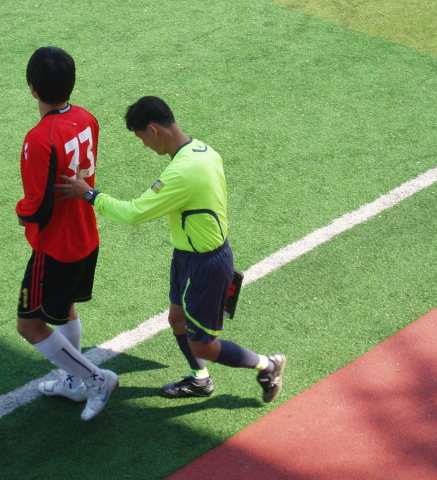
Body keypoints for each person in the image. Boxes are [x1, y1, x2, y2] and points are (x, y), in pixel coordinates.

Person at [55, 96, 286, 403]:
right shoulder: (202, 150)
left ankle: (268, 365)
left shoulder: (182, 172)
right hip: (188, 256)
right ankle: (200, 379)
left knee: (204, 344)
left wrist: (90, 195)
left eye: (141, 138)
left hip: (205, 265)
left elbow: (134, 213)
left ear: (153, 130)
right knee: (177, 319)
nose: (144, 145)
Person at [15, 46, 118, 421]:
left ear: (32, 88)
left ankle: (95, 378)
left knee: (30, 325)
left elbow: (38, 206)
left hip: (55, 246)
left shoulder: (39, 139)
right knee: (64, 310)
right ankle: (73, 383)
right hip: (84, 234)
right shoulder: (87, 118)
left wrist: (20, 213)